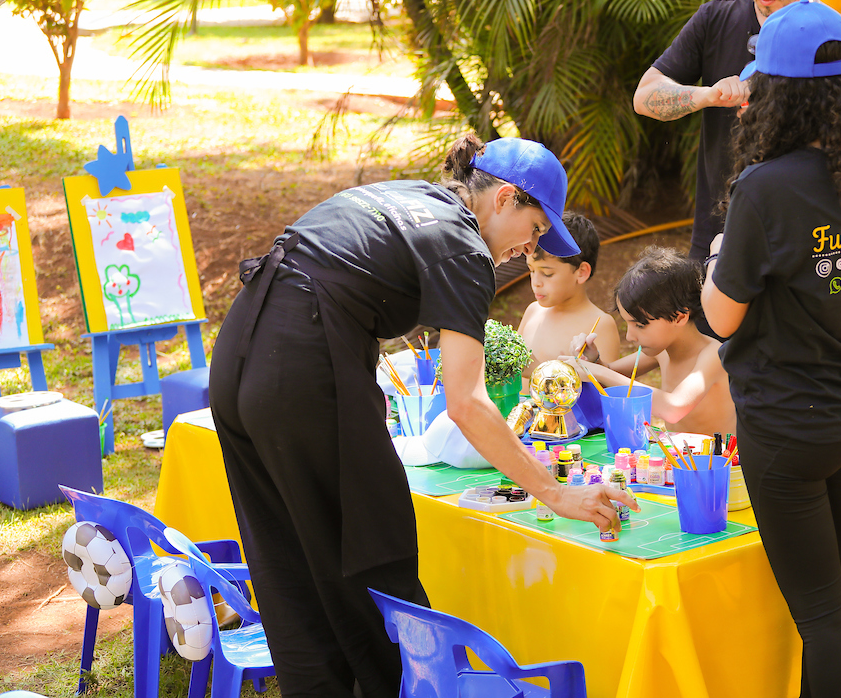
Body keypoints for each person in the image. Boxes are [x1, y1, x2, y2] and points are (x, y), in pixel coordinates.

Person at [208, 134, 638, 698]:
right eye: (534, 232)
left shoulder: (416, 197)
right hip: (304, 360)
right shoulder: (464, 246)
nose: (528, 252)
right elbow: (467, 403)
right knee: (373, 548)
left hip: (241, 351)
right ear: (505, 198)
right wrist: (555, 493)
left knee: (286, 559)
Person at [700, 0, 841, 698]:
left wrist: (716, 261)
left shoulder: (765, 189)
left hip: (787, 429)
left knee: (822, 618)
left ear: (774, 93)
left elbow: (719, 320)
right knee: (833, 603)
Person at [633, 0, 841, 280]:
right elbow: (644, 97)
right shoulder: (715, 19)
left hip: (810, 241)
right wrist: (708, 95)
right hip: (719, 235)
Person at [567, 246, 735, 437]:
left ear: (679, 318)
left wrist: (596, 371)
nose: (629, 337)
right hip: (677, 460)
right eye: (627, 324)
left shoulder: (713, 355)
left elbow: (674, 408)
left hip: (719, 463)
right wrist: (594, 361)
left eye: (639, 325)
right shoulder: (663, 351)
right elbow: (609, 375)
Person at [517, 211, 620, 369]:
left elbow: (605, 387)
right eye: (531, 270)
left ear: (581, 272)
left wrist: (535, 370)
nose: (536, 282)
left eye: (547, 273)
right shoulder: (533, 311)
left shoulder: (600, 324)